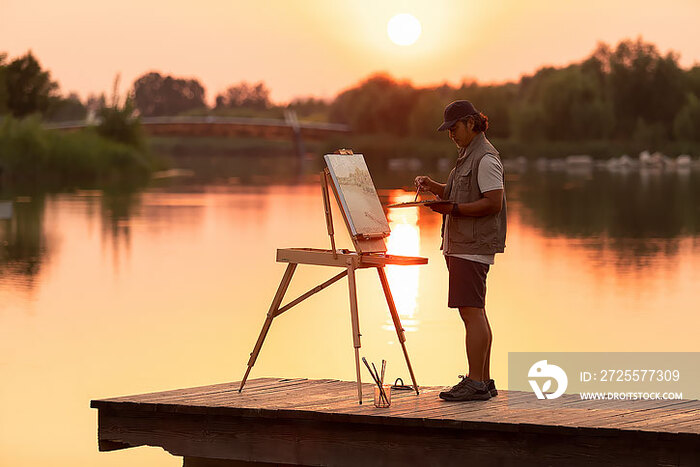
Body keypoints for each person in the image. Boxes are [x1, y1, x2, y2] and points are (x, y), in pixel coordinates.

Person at [415, 100, 507, 401]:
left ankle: (475, 382)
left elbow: (494, 202)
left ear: (471, 123)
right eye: (448, 131)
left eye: (454, 128)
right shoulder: (469, 155)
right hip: (464, 247)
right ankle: (484, 380)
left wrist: (453, 209)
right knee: (476, 312)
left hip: (471, 248)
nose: (451, 134)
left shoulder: (486, 159)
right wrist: (435, 187)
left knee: (471, 313)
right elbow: (461, 193)